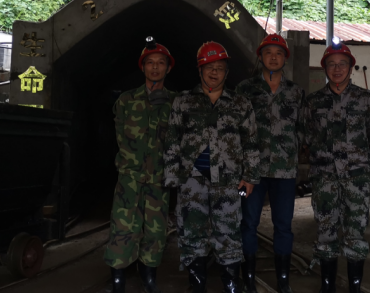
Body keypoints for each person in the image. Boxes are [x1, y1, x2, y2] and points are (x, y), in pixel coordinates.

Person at [163, 41, 260, 293]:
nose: (214, 72)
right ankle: (197, 284)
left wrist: (250, 177)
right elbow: (172, 140)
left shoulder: (240, 104)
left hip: (228, 181)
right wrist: (173, 178)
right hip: (191, 180)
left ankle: (231, 283)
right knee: (192, 232)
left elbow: (251, 143)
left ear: (226, 72)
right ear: (200, 70)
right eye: (209, 67)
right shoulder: (184, 102)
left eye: (219, 67)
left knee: (228, 232)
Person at [305, 37, 370, 293]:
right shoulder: (313, 102)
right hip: (324, 179)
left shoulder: (365, 99)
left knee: (355, 234)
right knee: (325, 232)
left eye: (342, 64)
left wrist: (360, 168)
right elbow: (306, 137)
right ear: (324, 68)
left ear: (350, 67)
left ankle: (354, 287)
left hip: (356, 180)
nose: (337, 69)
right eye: (331, 64)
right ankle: (327, 285)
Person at [105, 37, 177, 293]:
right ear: (142, 67)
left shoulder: (175, 103)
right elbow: (120, 138)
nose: (155, 67)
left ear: (168, 68)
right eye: (150, 63)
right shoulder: (127, 100)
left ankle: (149, 277)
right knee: (122, 228)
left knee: (155, 232)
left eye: (161, 63)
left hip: (159, 179)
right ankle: (118, 279)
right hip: (130, 179)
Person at [235, 34, 305, 293]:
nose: (273, 57)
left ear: (285, 58)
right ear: (260, 56)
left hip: (285, 172)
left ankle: (283, 281)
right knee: (247, 223)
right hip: (250, 174)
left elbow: (302, 128)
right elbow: (236, 128)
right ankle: (249, 279)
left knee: (283, 226)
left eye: (278, 53)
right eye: (268, 53)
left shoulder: (296, 92)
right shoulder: (245, 89)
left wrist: (291, 151)